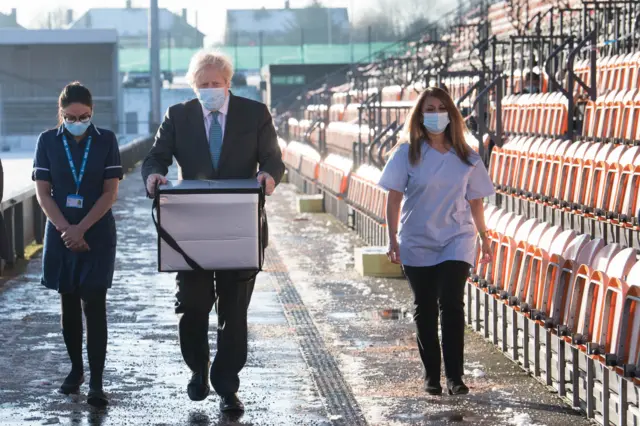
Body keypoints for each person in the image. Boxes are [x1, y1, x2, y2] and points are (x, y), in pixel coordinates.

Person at [141, 50, 284, 414]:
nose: (210, 89)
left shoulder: (255, 114)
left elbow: (273, 159)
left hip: (241, 225)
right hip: (192, 229)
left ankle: (226, 384)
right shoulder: (178, 115)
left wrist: (268, 176)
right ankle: (197, 370)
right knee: (192, 306)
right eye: (203, 84)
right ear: (194, 86)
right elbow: (156, 156)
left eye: (216, 83)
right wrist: (154, 175)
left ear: (228, 83)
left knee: (234, 313)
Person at [378, 87, 494, 396]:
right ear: (420, 115)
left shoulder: (466, 156)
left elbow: (477, 200)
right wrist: (392, 239)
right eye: (429, 109)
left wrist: (484, 237)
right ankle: (432, 375)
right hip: (417, 237)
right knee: (424, 308)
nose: (436, 114)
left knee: (452, 304)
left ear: (452, 114)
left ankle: (455, 377)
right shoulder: (406, 153)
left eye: (441, 108)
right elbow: (393, 200)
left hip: (457, 237)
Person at [32, 82, 122, 407]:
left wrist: (81, 228)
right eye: (71, 116)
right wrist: (65, 229)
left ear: (92, 112)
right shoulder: (47, 141)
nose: (78, 121)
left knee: (94, 304)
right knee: (68, 302)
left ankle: (97, 380)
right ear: (61, 113)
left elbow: (110, 192)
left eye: (84, 115)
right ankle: (76, 370)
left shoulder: (106, 140)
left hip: (96, 231)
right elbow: (44, 193)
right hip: (60, 231)